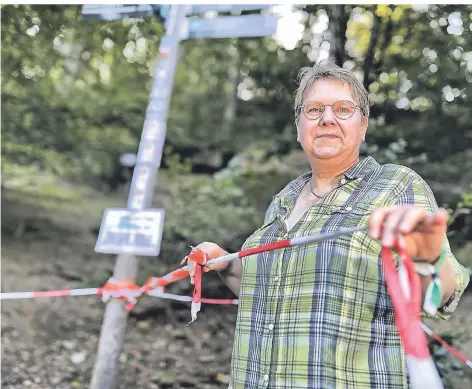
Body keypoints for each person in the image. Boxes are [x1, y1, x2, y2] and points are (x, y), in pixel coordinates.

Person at [184, 59, 470, 389]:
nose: (327, 119)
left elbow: (442, 292)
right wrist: (223, 262)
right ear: (298, 126)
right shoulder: (284, 199)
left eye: (343, 109)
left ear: (363, 126)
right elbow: (274, 290)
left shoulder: (396, 185)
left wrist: (428, 260)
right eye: (314, 109)